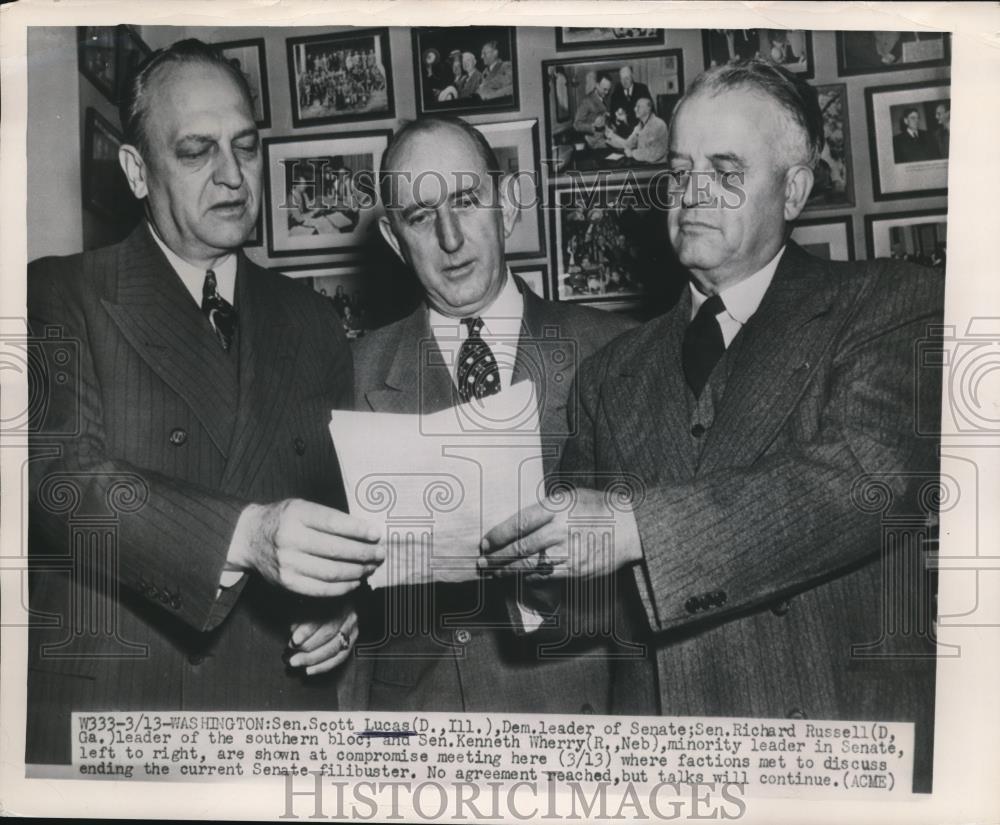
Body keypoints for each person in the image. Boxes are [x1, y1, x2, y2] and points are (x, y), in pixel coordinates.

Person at [482, 58, 942, 792]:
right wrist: (537, 582)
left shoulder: (893, 304)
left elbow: (867, 479)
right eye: (680, 169)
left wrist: (634, 527)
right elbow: (592, 607)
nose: (692, 194)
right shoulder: (610, 372)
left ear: (794, 190)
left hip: (833, 764)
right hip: (664, 778)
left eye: (726, 170)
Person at [25, 39, 383, 765]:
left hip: (279, 712)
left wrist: (342, 607)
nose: (231, 176)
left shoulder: (313, 320)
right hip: (123, 710)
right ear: (135, 170)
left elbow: (344, 508)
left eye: (245, 148)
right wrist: (246, 534)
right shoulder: (59, 293)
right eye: (196, 152)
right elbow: (60, 481)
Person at [328, 116, 650, 714]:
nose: (450, 238)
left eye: (467, 201)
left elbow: (661, 565)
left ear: (505, 208)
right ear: (396, 242)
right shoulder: (348, 376)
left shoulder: (618, 351)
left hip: (577, 723)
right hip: (419, 741)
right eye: (421, 217)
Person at [605, 96, 669, 164]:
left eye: (638, 107)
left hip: (657, 166)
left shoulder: (658, 125)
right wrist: (611, 135)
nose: (635, 109)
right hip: (645, 164)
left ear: (648, 108)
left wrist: (633, 153)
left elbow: (653, 153)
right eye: (635, 106)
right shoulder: (640, 126)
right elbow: (628, 144)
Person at [573, 73, 613, 149]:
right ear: (597, 85)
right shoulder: (587, 101)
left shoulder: (605, 98)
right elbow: (576, 124)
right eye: (604, 89)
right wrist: (593, 126)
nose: (607, 92)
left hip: (605, 140)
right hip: (594, 144)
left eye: (608, 90)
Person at [609, 66, 652, 130]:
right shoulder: (615, 94)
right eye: (622, 79)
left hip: (641, 131)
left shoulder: (642, 89)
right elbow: (612, 116)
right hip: (623, 135)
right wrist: (616, 120)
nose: (624, 81)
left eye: (627, 78)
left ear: (632, 76)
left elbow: (650, 111)